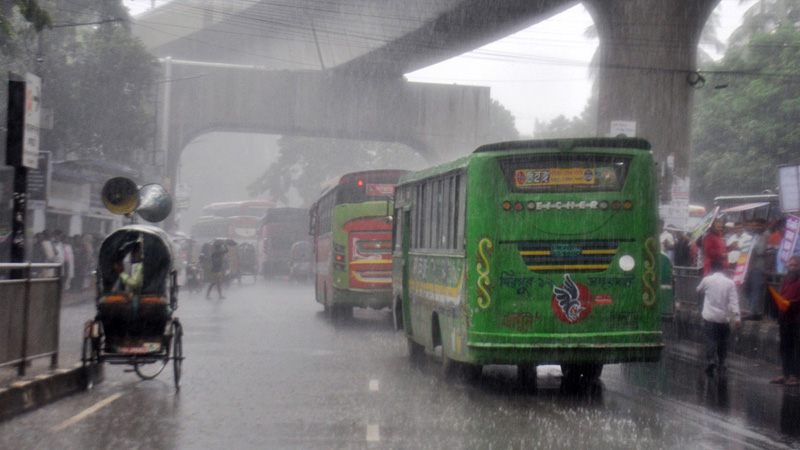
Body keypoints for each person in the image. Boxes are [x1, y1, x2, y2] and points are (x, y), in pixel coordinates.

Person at [697, 259, 742, 377]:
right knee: (723, 342)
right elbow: (734, 301)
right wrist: (737, 318)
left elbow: (698, 289)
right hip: (723, 318)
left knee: (710, 339)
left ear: (711, 269)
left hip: (710, 317)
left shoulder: (707, 280)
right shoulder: (730, 283)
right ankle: (721, 362)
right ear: (723, 269)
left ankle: (711, 360)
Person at [771, 255, 800, 386]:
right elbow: (782, 295)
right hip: (785, 319)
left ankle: (796, 376)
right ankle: (786, 373)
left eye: (795, 265)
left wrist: (789, 303)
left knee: (796, 348)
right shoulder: (787, 281)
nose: (792, 267)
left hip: (796, 319)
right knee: (785, 347)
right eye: (791, 265)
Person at [743, 218, 773, 321]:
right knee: (747, 289)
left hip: (760, 266)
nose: (757, 228)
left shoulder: (768, 236)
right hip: (752, 266)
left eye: (759, 226)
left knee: (756, 290)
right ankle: (754, 311)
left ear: (765, 225)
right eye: (755, 225)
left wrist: (768, 268)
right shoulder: (755, 236)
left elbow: (769, 253)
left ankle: (755, 313)